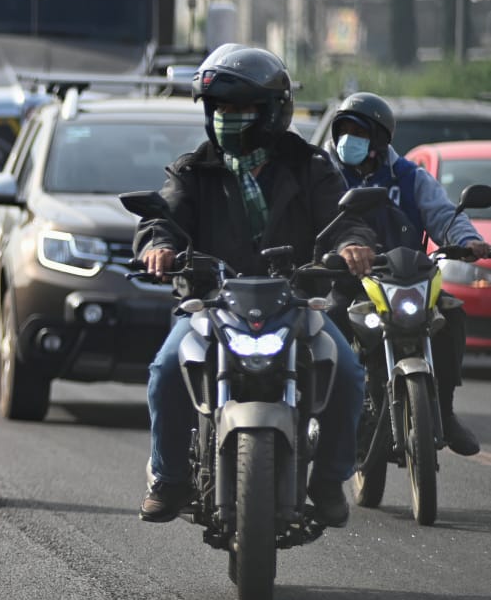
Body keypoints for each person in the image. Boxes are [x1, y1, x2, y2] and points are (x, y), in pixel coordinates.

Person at [134, 44, 377, 527]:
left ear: (272, 112)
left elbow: (346, 221)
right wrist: (157, 246)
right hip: (211, 304)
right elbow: (165, 217)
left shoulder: (312, 167)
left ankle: (329, 480)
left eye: (240, 108)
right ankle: (168, 477)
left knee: (348, 373)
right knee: (165, 369)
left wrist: (353, 245)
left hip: (298, 301)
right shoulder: (192, 170)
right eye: (220, 109)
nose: (227, 118)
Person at [326, 92, 488, 455]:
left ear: (380, 140)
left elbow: (445, 216)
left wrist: (469, 241)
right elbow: (316, 221)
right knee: (326, 324)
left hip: (407, 279)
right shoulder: (328, 176)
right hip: (349, 281)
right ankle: (329, 417)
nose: (348, 139)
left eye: (359, 131)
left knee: (451, 313)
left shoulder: (410, 177)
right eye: (344, 131)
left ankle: (443, 410)